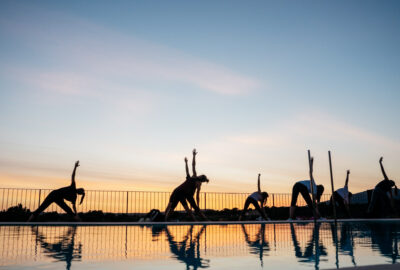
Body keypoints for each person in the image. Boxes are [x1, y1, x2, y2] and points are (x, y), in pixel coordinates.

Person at [164, 149, 209, 221]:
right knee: (173, 207)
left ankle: (202, 221)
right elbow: (193, 165)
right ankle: (164, 220)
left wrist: (197, 205)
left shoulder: (197, 182)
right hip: (180, 192)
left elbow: (197, 196)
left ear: (201, 179)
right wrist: (193, 156)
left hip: (187, 195)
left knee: (193, 209)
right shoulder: (194, 176)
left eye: (200, 176)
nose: (199, 175)